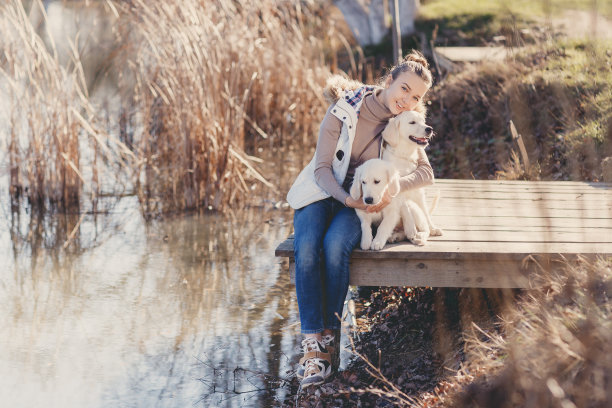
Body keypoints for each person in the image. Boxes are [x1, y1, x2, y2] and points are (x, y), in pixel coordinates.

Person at [286, 50, 435, 388]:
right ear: (388, 82)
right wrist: (346, 197)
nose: (407, 100)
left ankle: (328, 337)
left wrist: (394, 187)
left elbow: (425, 173)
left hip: (361, 202)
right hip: (323, 193)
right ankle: (313, 342)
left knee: (336, 246)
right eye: (404, 90)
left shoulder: (404, 122)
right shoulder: (344, 109)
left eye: (416, 97)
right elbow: (322, 169)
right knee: (308, 247)